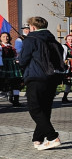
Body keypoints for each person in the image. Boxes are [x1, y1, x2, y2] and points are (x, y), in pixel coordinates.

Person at [18, 17, 63, 149]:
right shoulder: (52, 39)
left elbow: (22, 60)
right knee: (44, 108)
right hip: (52, 77)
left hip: (36, 77)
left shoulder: (30, 39)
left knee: (35, 108)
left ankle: (52, 137)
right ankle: (38, 138)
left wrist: (19, 60)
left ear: (32, 27)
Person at [1, 31, 22, 106]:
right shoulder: (1, 47)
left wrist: (16, 59)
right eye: (3, 36)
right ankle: (9, 95)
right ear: (0, 38)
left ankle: (16, 100)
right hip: (3, 67)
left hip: (12, 67)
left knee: (16, 82)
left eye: (7, 36)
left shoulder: (11, 47)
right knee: (3, 82)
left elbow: (15, 56)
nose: (6, 38)